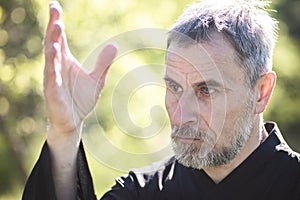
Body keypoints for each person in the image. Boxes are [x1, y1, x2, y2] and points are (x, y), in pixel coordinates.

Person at [23, 0, 300, 199]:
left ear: (261, 91)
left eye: (206, 91)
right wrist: (64, 133)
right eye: (175, 88)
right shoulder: (142, 192)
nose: (180, 116)